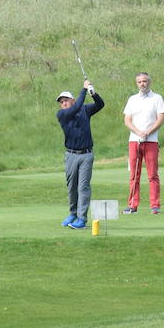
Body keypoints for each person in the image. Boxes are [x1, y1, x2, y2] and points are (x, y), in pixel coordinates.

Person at [56, 79, 103, 230]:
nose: (63, 103)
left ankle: (82, 219)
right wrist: (83, 90)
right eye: (61, 101)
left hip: (86, 155)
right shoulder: (62, 114)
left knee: (83, 187)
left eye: (66, 100)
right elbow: (74, 109)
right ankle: (73, 213)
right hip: (71, 155)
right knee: (71, 187)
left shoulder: (84, 109)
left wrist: (93, 94)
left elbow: (100, 105)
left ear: (73, 100)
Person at [122, 72, 164, 214]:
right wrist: (138, 131)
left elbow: (160, 119)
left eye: (145, 81)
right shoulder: (132, 99)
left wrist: (148, 132)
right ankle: (132, 205)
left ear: (149, 82)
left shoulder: (157, 98)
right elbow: (127, 120)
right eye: (140, 82)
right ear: (137, 84)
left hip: (151, 141)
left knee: (152, 174)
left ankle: (155, 205)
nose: (142, 84)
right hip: (134, 141)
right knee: (134, 175)